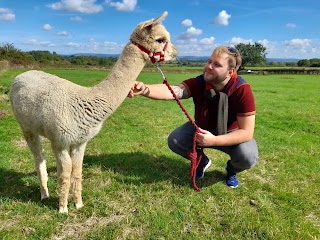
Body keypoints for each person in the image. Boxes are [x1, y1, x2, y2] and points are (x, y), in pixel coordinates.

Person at [128, 46, 258, 188]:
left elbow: (246, 132)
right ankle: (201, 162)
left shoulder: (242, 89)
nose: (208, 67)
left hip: (231, 132)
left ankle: (232, 170)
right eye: (209, 61)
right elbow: (175, 91)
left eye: (217, 65)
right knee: (176, 140)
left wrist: (213, 141)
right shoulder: (201, 82)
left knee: (248, 157)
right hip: (201, 128)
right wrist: (144, 89)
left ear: (230, 72)